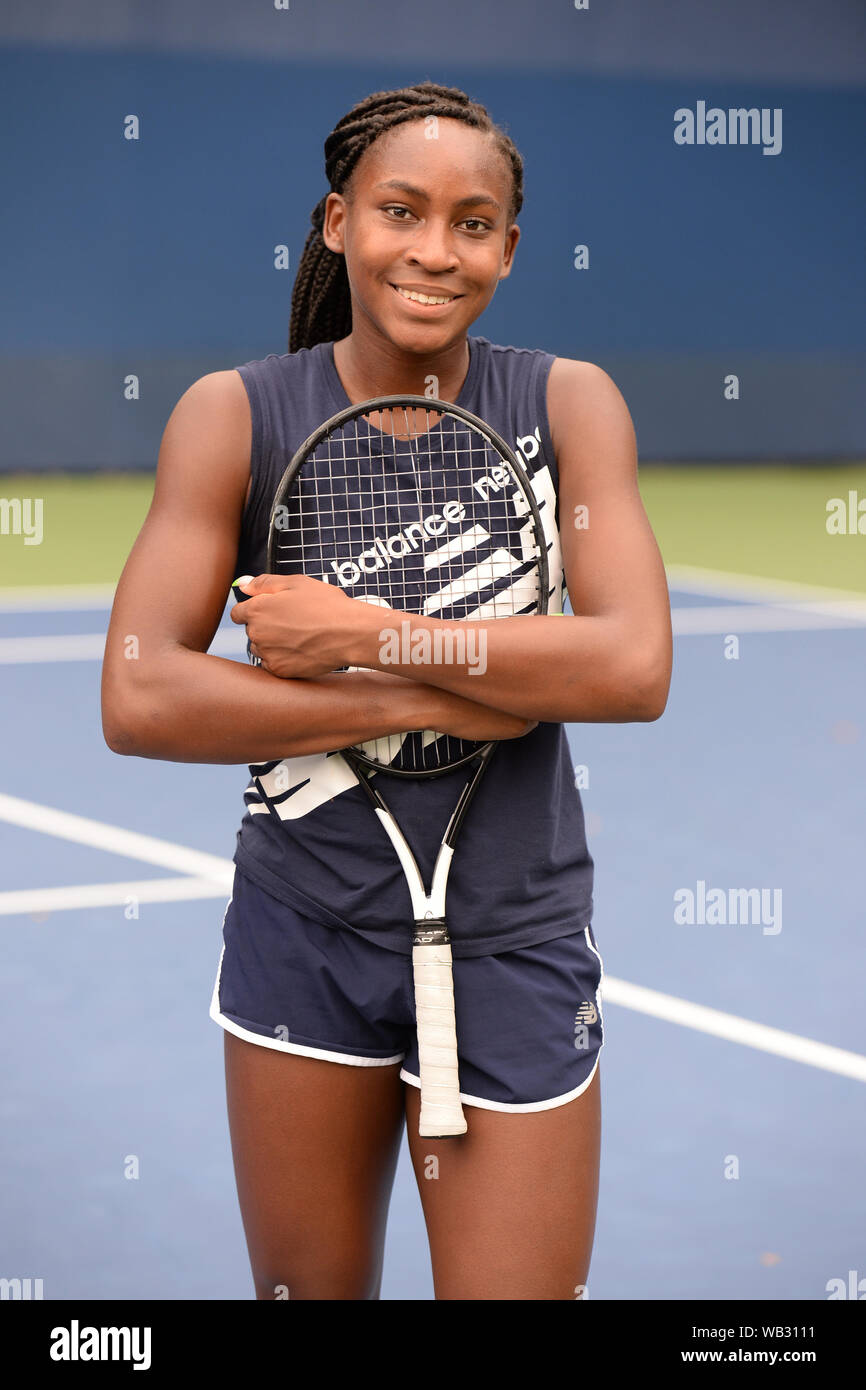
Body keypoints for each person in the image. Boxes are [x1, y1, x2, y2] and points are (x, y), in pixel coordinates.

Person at [101, 81, 672, 1300]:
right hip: (299, 933)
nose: (433, 250)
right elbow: (141, 695)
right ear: (334, 224)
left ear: (509, 250)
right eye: (398, 211)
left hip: (513, 940)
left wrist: (369, 634)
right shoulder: (235, 415)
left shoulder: (566, 404)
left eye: (472, 224)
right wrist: (430, 696)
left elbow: (628, 666)